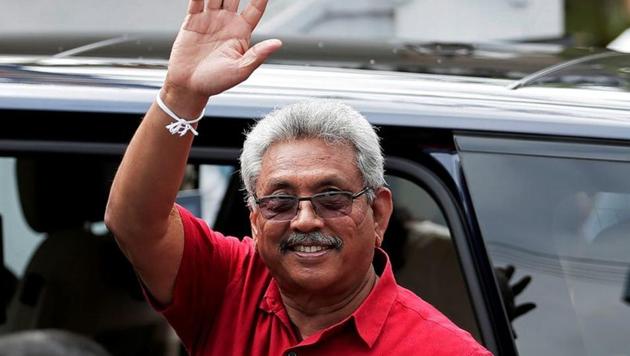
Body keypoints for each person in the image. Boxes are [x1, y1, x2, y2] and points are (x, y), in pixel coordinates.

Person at [104, 0, 492, 355]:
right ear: (255, 220)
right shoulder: (230, 286)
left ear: (379, 212)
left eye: (332, 197)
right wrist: (182, 93)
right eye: (280, 201)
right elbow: (136, 223)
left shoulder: (442, 349)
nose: (305, 220)